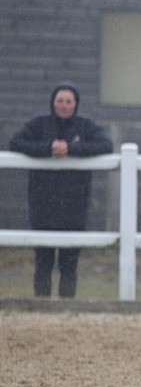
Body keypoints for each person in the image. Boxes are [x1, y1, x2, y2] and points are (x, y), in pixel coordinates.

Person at [9, 83, 113, 298]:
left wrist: (71, 149)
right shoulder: (39, 124)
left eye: (69, 101)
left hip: (75, 206)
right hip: (42, 205)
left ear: (76, 104)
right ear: (52, 103)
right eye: (60, 101)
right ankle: (41, 304)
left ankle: (67, 306)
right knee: (43, 261)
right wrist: (48, 148)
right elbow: (16, 142)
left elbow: (105, 145)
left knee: (69, 264)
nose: (64, 106)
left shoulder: (86, 126)